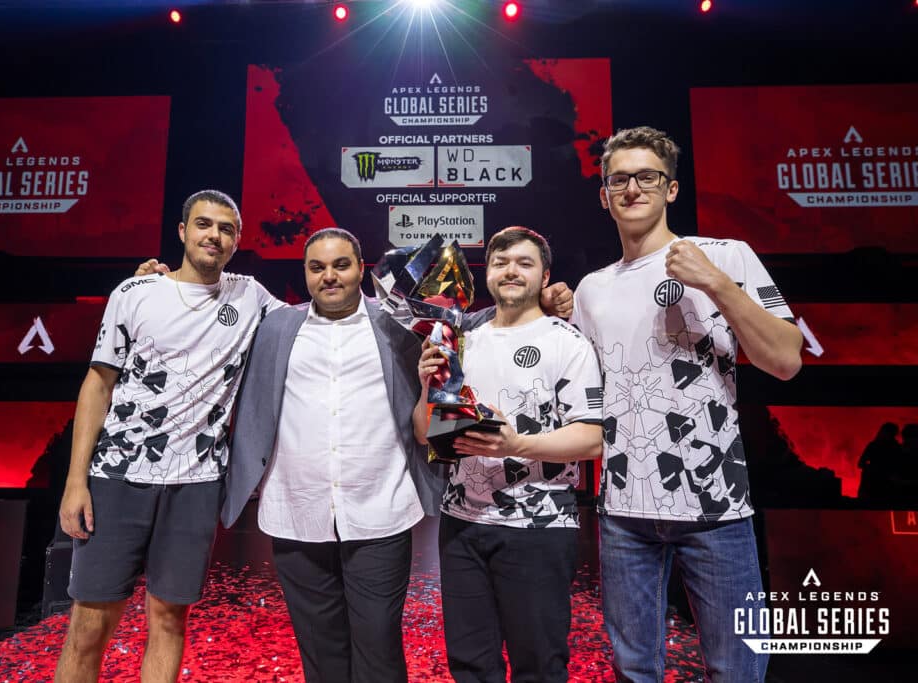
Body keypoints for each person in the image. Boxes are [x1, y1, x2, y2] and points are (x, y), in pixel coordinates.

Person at [220, 227, 575, 683]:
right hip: (295, 514)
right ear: (305, 274)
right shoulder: (275, 325)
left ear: (361, 268)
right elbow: (215, 301)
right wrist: (161, 277)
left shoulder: (397, 324)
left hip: (379, 513)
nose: (330, 276)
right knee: (320, 654)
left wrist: (541, 303)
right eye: (317, 267)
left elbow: (462, 324)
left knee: (379, 651)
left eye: (341, 265)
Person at [572, 126, 803, 682]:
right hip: (623, 510)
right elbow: (585, 394)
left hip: (716, 507)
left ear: (670, 188)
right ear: (604, 194)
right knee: (635, 672)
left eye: (646, 176)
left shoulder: (727, 256)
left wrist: (718, 284)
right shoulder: (590, 290)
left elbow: (786, 360)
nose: (632, 188)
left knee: (737, 671)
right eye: (619, 179)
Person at [54, 189, 284, 683]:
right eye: (203, 225)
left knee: (169, 618)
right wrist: (76, 481)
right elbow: (97, 384)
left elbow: (313, 325)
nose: (213, 236)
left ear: (237, 240)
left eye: (225, 229)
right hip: (117, 477)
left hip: (197, 484)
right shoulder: (134, 293)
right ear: (182, 232)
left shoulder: (251, 297)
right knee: (90, 623)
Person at [414, 226, 604, 683]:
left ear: (545, 276)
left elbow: (593, 437)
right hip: (462, 525)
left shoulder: (567, 341)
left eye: (524, 262)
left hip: (537, 528)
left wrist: (517, 444)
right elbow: (425, 435)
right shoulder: (461, 340)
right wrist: (426, 386)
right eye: (501, 263)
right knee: (470, 664)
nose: (511, 271)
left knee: (538, 664)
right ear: (488, 274)